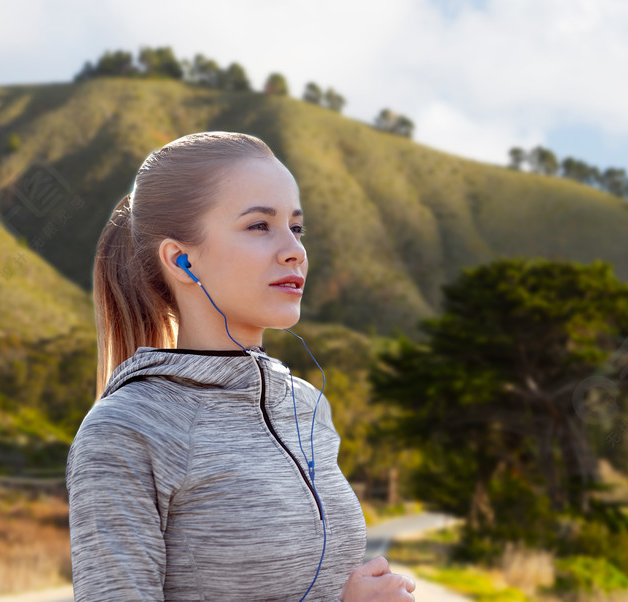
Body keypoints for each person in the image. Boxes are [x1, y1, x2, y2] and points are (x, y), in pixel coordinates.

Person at [65, 131, 416, 601]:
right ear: (182, 260)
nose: (294, 250)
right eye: (259, 226)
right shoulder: (127, 429)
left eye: (296, 227)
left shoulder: (306, 406)